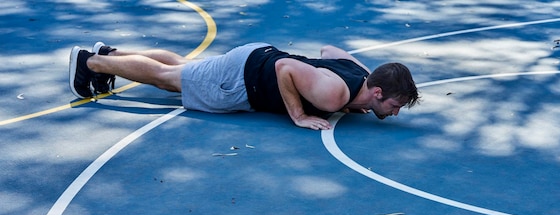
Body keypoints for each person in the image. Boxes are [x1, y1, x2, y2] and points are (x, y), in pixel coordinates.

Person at [69, 42, 420, 130]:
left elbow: (328, 51)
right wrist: (297, 114)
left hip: (254, 57)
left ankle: (109, 54)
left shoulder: (357, 72)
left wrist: (351, 104)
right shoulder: (335, 94)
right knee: (168, 79)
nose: (395, 111)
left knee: (181, 67)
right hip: (242, 80)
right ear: (377, 92)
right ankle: (89, 63)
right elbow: (286, 68)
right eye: (394, 104)